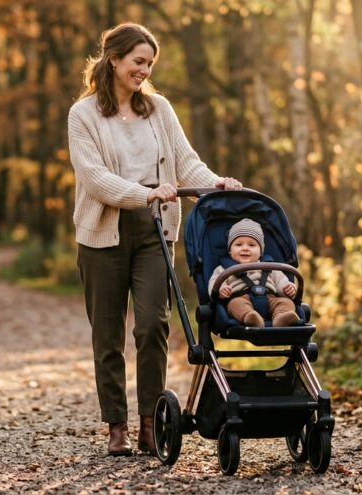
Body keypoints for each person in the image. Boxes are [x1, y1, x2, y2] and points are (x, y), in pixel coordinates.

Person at [67, 22, 242, 456]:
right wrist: (144, 193)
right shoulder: (84, 114)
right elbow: (95, 179)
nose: (145, 70)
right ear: (114, 60)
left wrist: (215, 184)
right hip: (102, 233)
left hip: (155, 231)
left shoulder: (158, 109)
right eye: (138, 62)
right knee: (107, 335)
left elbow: (186, 161)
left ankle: (151, 421)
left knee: (152, 324)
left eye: (150, 63)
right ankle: (117, 428)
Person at [208, 218, 300, 328]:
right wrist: (220, 290)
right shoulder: (223, 269)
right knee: (235, 305)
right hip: (240, 298)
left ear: (261, 251)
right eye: (238, 245)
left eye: (252, 245)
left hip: (270, 298)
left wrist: (287, 288)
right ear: (230, 250)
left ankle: (281, 318)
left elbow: (280, 280)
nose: (245, 248)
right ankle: (250, 318)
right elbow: (214, 282)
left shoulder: (269, 266)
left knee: (286, 303)